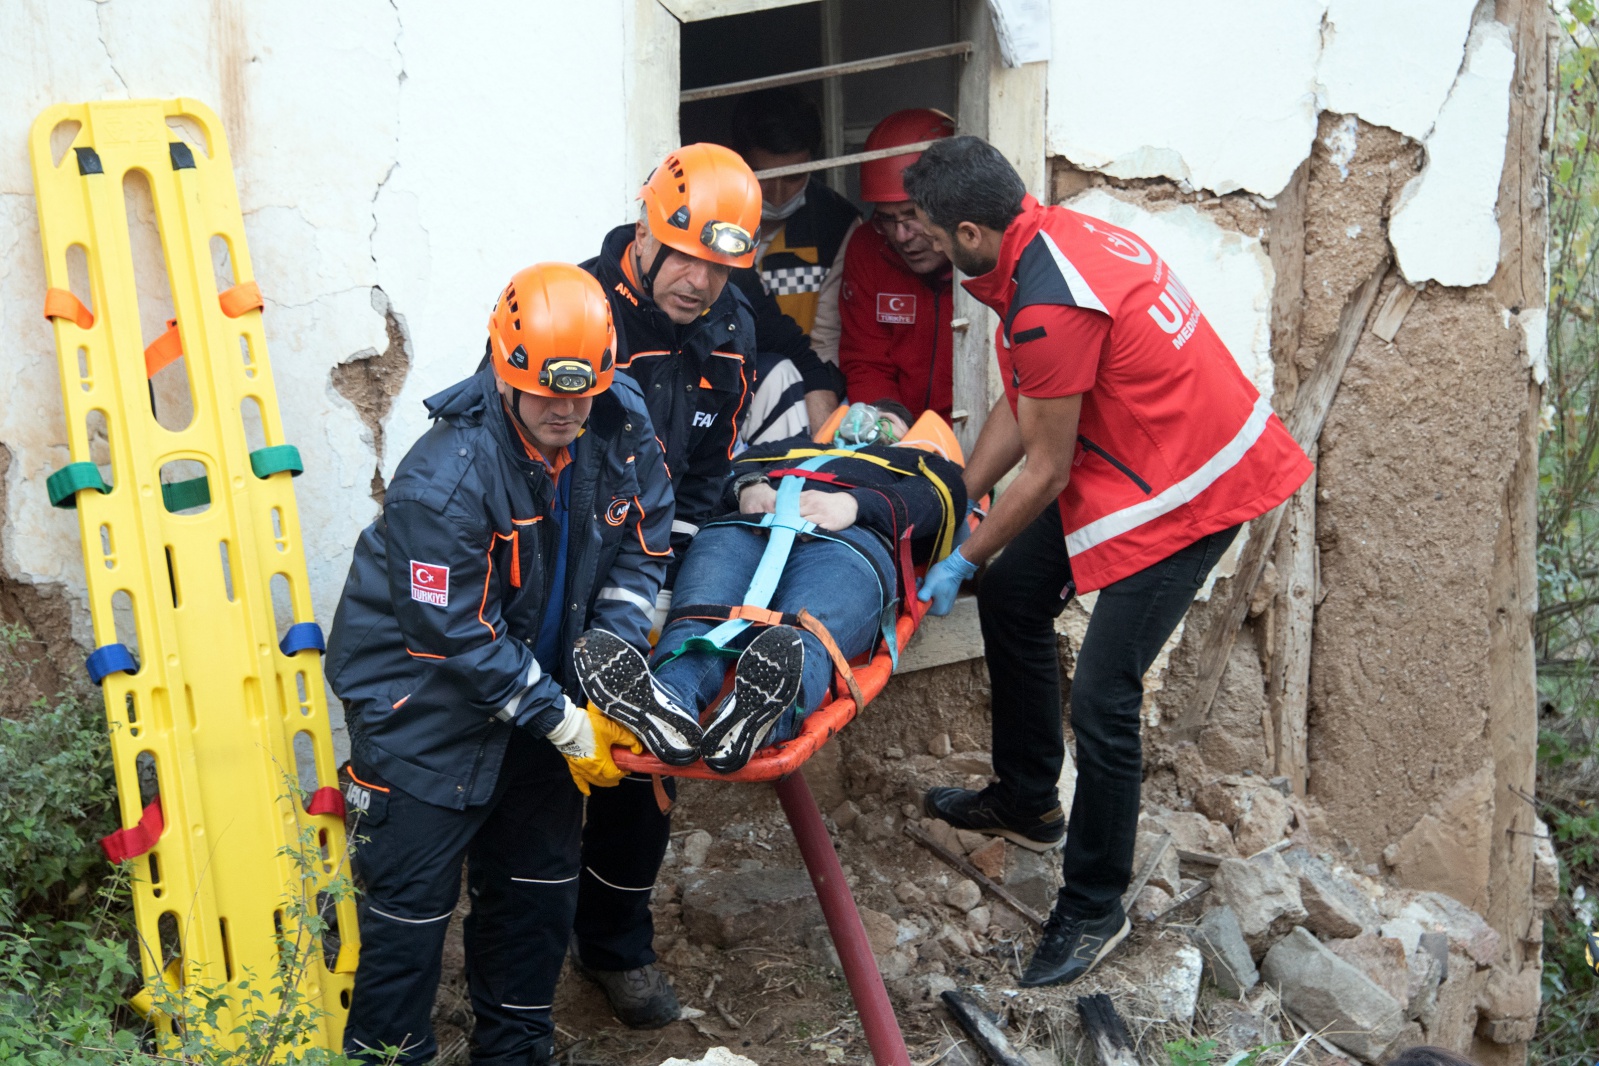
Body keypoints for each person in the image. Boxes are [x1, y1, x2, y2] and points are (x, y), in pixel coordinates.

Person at [904, 137, 1314, 988]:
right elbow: (1026, 412)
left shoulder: (1046, 300)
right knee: (1014, 594)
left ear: (972, 230)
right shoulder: (1046, 248)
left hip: (1193, 489)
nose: (931, 251)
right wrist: (951, 499)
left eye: (937, 238)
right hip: (1136, 458)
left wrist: (959, 556)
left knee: (1103, 696)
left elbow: (1046, 468)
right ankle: (1026, 800)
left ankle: (1094, 904)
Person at [324, 263, 672, 1065]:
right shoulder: (442, 480)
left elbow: (643, 543)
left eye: (581, 393)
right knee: (409, 918)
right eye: (546, 394)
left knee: (534, 900)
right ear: (504, 370)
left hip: (543, 704)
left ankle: (516, 1053)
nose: (565, 411)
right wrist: (561, 719)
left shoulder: (617, 428)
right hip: (425, 713)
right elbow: (454, 634)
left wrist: (606, 657)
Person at [574, 400, 967, 774]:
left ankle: (761, 719)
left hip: (849, 542)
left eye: (888, 421)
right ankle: (669, 703)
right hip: (744, 526)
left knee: (802, 634)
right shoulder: (792, 447)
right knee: (699, 620)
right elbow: (723, 470)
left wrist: (856, 505)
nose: (872, 421)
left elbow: (947, 498)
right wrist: (747, 488)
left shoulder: (918, 461)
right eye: (867, 412)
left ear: (907, 436)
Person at [838, 109, 957, 421]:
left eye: (912, 215)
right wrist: (890, 427)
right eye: (887, 219)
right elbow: (865, 360)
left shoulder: (986, 251)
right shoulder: (867, 247)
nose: (902, 236)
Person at [729, 88, 860, 362]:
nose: (777, 194)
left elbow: (826, 344)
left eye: (793, 177)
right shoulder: (708, 216)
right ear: (738, 162)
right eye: (764, 176)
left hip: (804, 381)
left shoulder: (836, 226)